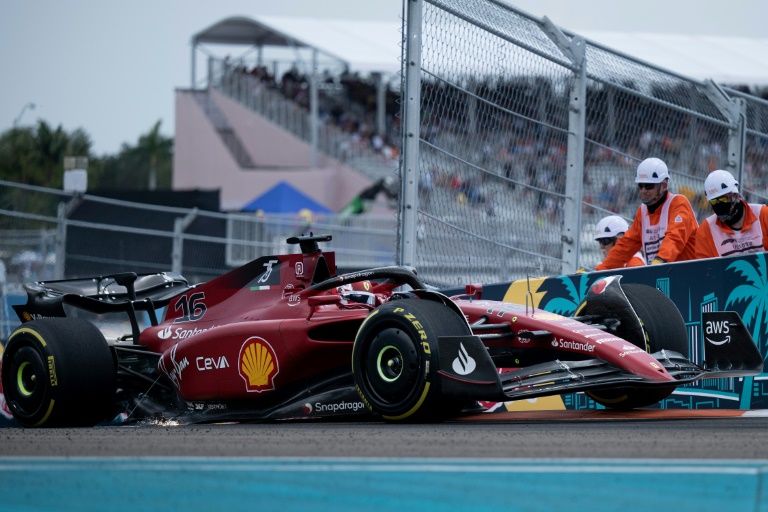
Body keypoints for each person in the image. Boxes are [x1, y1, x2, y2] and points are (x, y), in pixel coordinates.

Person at [595, 157, 698, 270]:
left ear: (663, 185)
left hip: (690, 274)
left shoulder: (678, 203)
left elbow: (675, 237)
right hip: (662, 274)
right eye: (640, 185)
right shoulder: (642, 212)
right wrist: (597, 271)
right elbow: (625, 246)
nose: (643, 190)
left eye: (649, 186)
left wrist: (660, 260)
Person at [694, 169, 768, 259]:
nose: (718, 204)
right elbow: (705, 269)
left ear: (735, 195)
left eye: (723, 199)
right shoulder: (706, 230)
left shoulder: (763, 214)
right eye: (713, 201)